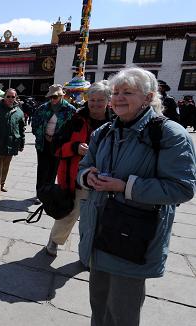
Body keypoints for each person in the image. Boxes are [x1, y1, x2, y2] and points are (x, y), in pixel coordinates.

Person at [77, 67, 196, 326]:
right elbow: (84, 166)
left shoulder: (170, 134)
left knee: (122, 313)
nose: (118, 98)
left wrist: (125, 186)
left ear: (148, 97)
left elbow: (182, 188)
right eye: (116, 92)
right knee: (98, 306)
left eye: (127, 92)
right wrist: (87, 177)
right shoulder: (104, 132)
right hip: (97, 229)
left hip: (131, 237)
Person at [45, 80, 112, 257]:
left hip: (106, 179)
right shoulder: (76, 119)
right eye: (92, 100)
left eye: (100, 100)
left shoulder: (117, 122)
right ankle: (55, 240)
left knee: (97, 219)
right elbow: (55, 148)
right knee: (70, 212)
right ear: (87, 100)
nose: (96, 104)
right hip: (77, 177)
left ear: (108, 101)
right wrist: (74, 147)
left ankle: (90, 252)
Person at [31, 84, 76, 202]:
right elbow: (34, 123)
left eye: (55, 97)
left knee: (53, 169)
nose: (52, 99)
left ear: (61, 96)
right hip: (43, 143)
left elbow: (73, 129)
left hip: (59, 145)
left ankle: (48, 193)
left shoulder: (70, 110)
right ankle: (40, 193)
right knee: (42, 169)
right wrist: (41, 135)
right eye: (50, 97)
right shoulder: (43, 108)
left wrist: (60, 140)